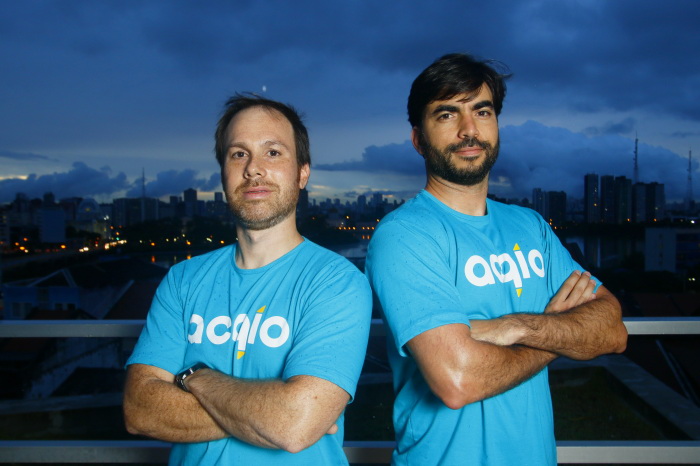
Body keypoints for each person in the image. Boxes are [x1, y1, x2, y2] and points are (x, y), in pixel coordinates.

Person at [365, 53, 628, 465]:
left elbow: (612, 330)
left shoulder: (531, 227)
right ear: (418, 139)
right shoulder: (404, 235)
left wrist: (513, 327)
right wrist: (556, 336)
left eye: (482, 111)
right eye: (447, 114)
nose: (469, 130)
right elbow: (457, 380)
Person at [123, 94, 372, 465]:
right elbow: (139, 410)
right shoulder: (182, 279)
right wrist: (273, 414)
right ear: (223, 172)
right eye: (238, 154)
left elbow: (294, 425)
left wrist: (194, 377)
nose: (253, 169)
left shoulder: (337, 282)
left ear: (303, 172)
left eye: (273, 153)